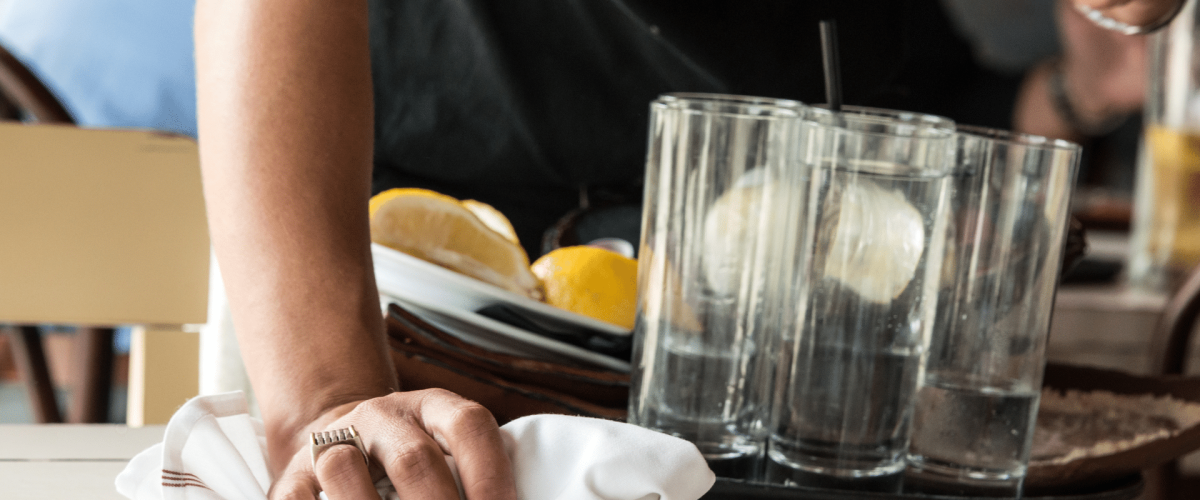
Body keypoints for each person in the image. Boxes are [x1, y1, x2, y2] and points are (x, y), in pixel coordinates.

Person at [192, 0, 1182, 498]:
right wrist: (325, 395)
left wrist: (1089, 79)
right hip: (405, 318)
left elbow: (910, 102)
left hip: (783, 368)